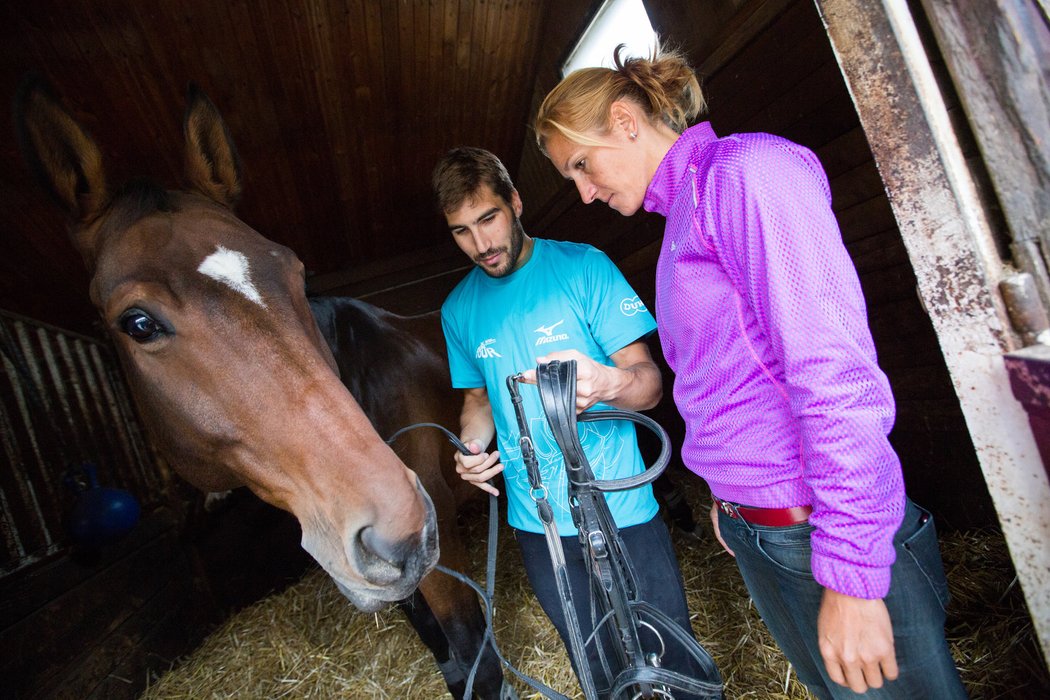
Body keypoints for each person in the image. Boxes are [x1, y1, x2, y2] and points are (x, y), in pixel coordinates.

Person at [532, 45, 966, 700]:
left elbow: (830, 367)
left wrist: (851, 572)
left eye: (582, 167)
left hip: (820, 528)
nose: (585, 194)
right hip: (762, 526)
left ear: (626, 121)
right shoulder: (683, 215)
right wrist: (730, 496)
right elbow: (731, 382)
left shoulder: (744, 174)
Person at [433, 146, 721, 698]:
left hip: (621, 507)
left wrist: (608, 383)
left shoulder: (583, 267)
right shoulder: (458, 309)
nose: (481, 244)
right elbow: (478, 399)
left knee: (673, 661)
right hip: (538, 524)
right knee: (598, 670)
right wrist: (471, 447)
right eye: (462, 231)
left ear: (515, 203)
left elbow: (650, 383)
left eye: (489, 219)